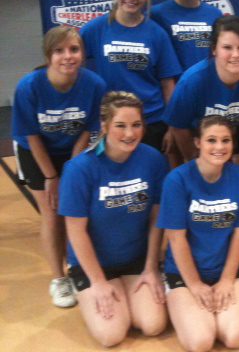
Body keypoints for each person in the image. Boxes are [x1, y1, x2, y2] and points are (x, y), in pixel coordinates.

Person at [58, 92, 168, 346]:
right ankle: (86, 288)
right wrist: (97, 282)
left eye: (136, 125)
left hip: (135, 258)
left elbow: (155, 219)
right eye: (120, 125)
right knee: (111, 335)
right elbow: (76, 232)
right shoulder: (79, 169)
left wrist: (151, 267)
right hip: (93, 264)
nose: (129, 134)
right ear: (105, 126)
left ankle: (127, 290)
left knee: (153, 325)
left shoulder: (152, 160)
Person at [12, 25, 106, 308]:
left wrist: (70, 170)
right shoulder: (29, 86)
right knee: (52, 213)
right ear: (48, 55)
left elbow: (89, 131)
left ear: (83, 53)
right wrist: (52, 177)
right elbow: (30, 134)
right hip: (37, 151)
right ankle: (59, 279)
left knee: (78, 211)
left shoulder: (94, 84)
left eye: (74, 49)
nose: (68, 56)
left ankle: (81, 267)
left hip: (73, 149)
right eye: (59, 51)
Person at [158, 116, 239, 351]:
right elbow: (176, 237)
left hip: (225, 271)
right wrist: (194, 285)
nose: (219, 147)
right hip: (185, 274)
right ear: (197, 143)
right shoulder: (177, 179)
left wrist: (226, 279)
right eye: (211, 140)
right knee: (201, 341)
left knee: (235, 337)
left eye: (226, 140)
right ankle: (177, 295)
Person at [81, 0, 182, 152]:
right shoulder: (96, 29)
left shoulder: (157, 34)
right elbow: (71, 64)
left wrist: (172, 126)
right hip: (113, 123)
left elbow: (168, 84)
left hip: (151, 122)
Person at [164, 15, 239, 164]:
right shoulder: (192, 81)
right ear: (214, 49)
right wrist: (198, 163)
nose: (236, 55)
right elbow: (179, 126)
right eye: (227, 47)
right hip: (204, 148)